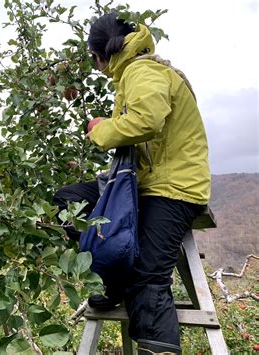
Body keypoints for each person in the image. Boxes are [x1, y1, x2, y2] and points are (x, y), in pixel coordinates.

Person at [53, 13, 211, 354]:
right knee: (68, 202)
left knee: (148, 277)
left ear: (100, 55)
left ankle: (153, 341)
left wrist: (100, 130)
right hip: (141, 185)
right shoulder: (133, 74)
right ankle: (113, 280)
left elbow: (146, 121)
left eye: (94, 60)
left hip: (173, 187)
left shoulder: (144, 70)